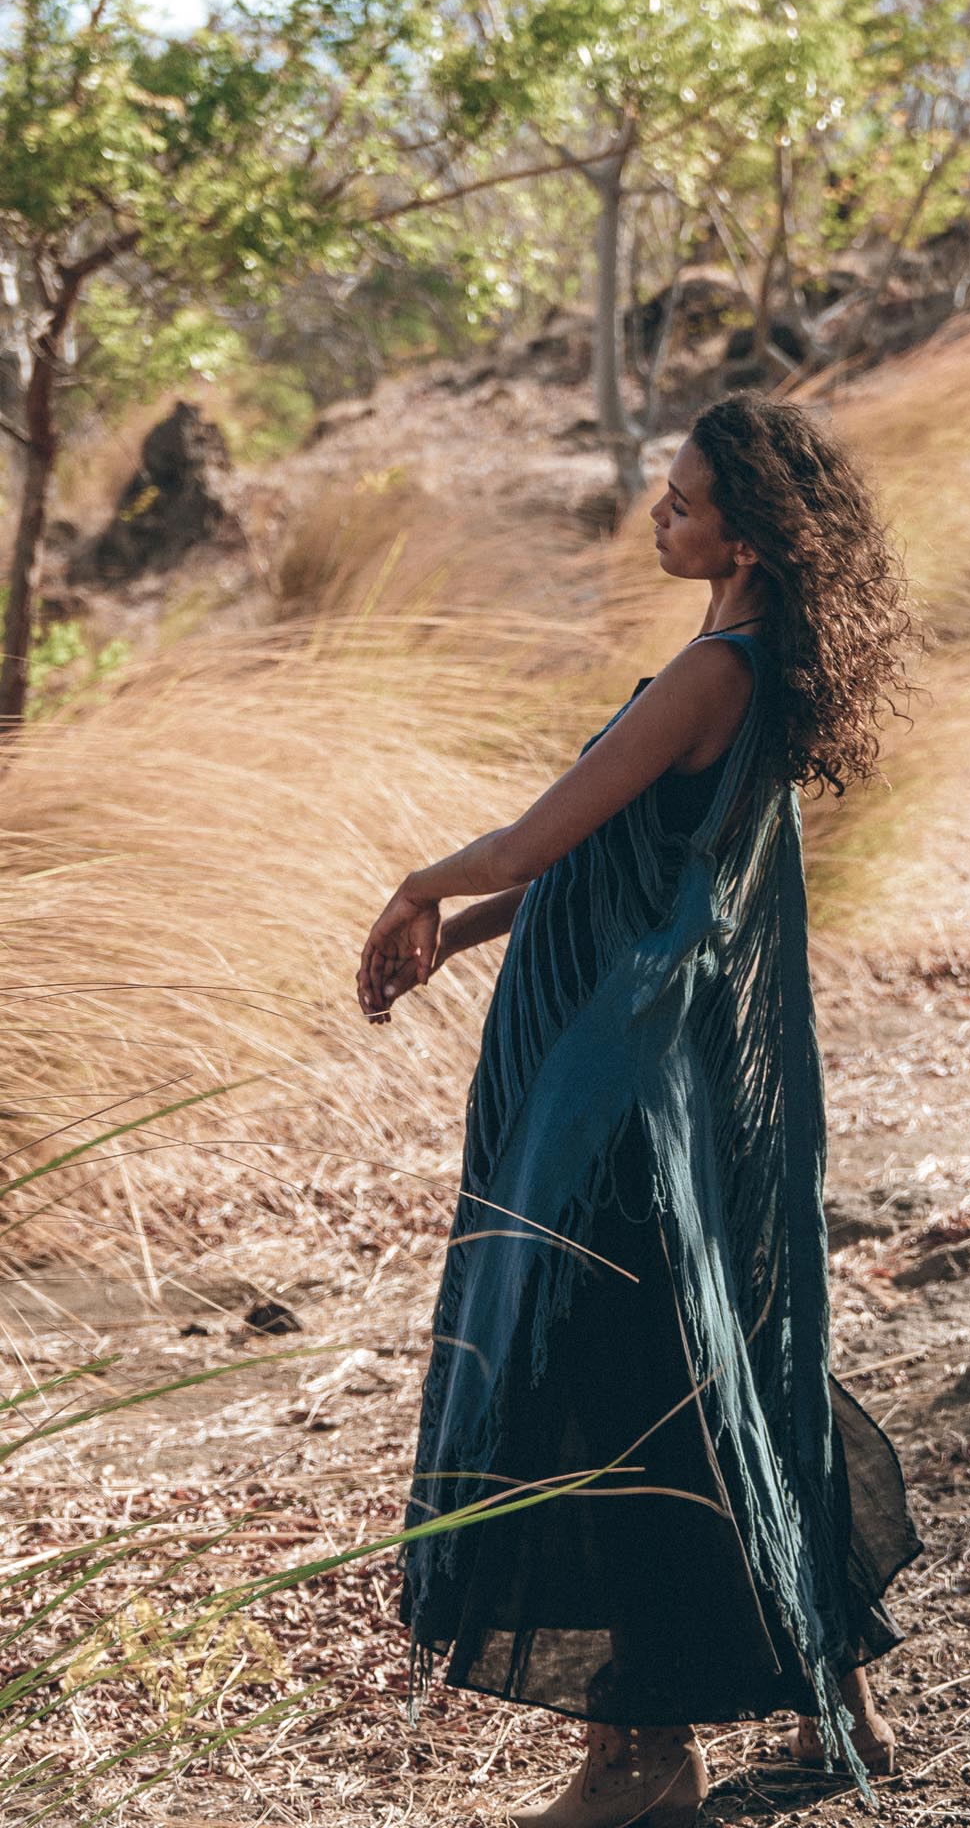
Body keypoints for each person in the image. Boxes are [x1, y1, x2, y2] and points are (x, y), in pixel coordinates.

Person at [356, 391, 926, 1828]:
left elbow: (539, 830)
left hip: (611, 1091)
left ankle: (640, 1752)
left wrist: (421, 885)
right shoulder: (743, 667)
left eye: (678, 500)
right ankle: (842, 1702)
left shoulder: (709, 675)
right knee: (708, 1366)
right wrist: (461, 936)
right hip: (640, 1078)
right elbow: (591, 865)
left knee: (604, 1386)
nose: (656, 517)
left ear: (747, 529)